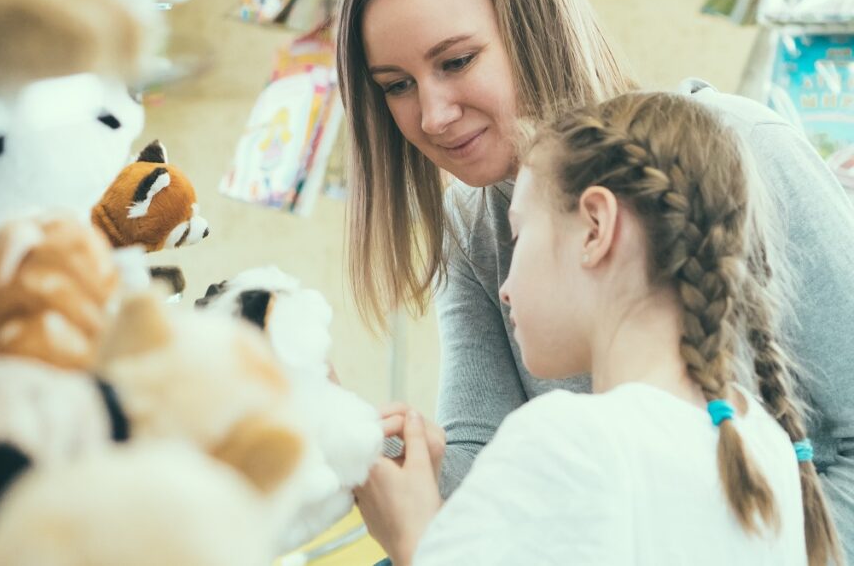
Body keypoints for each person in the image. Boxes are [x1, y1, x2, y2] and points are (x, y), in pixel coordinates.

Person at [335, 0, 854, 560]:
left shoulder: (745, 148)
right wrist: (337, 431)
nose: (431, 115)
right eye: (396, 84)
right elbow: (486, 474)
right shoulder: (471, 223)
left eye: (456, 61)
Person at [352, 92, 843, 565]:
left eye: (518, 236)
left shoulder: (566, 440)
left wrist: (411, 535)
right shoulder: (763, 443)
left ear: (594, 228)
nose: (504, 287)